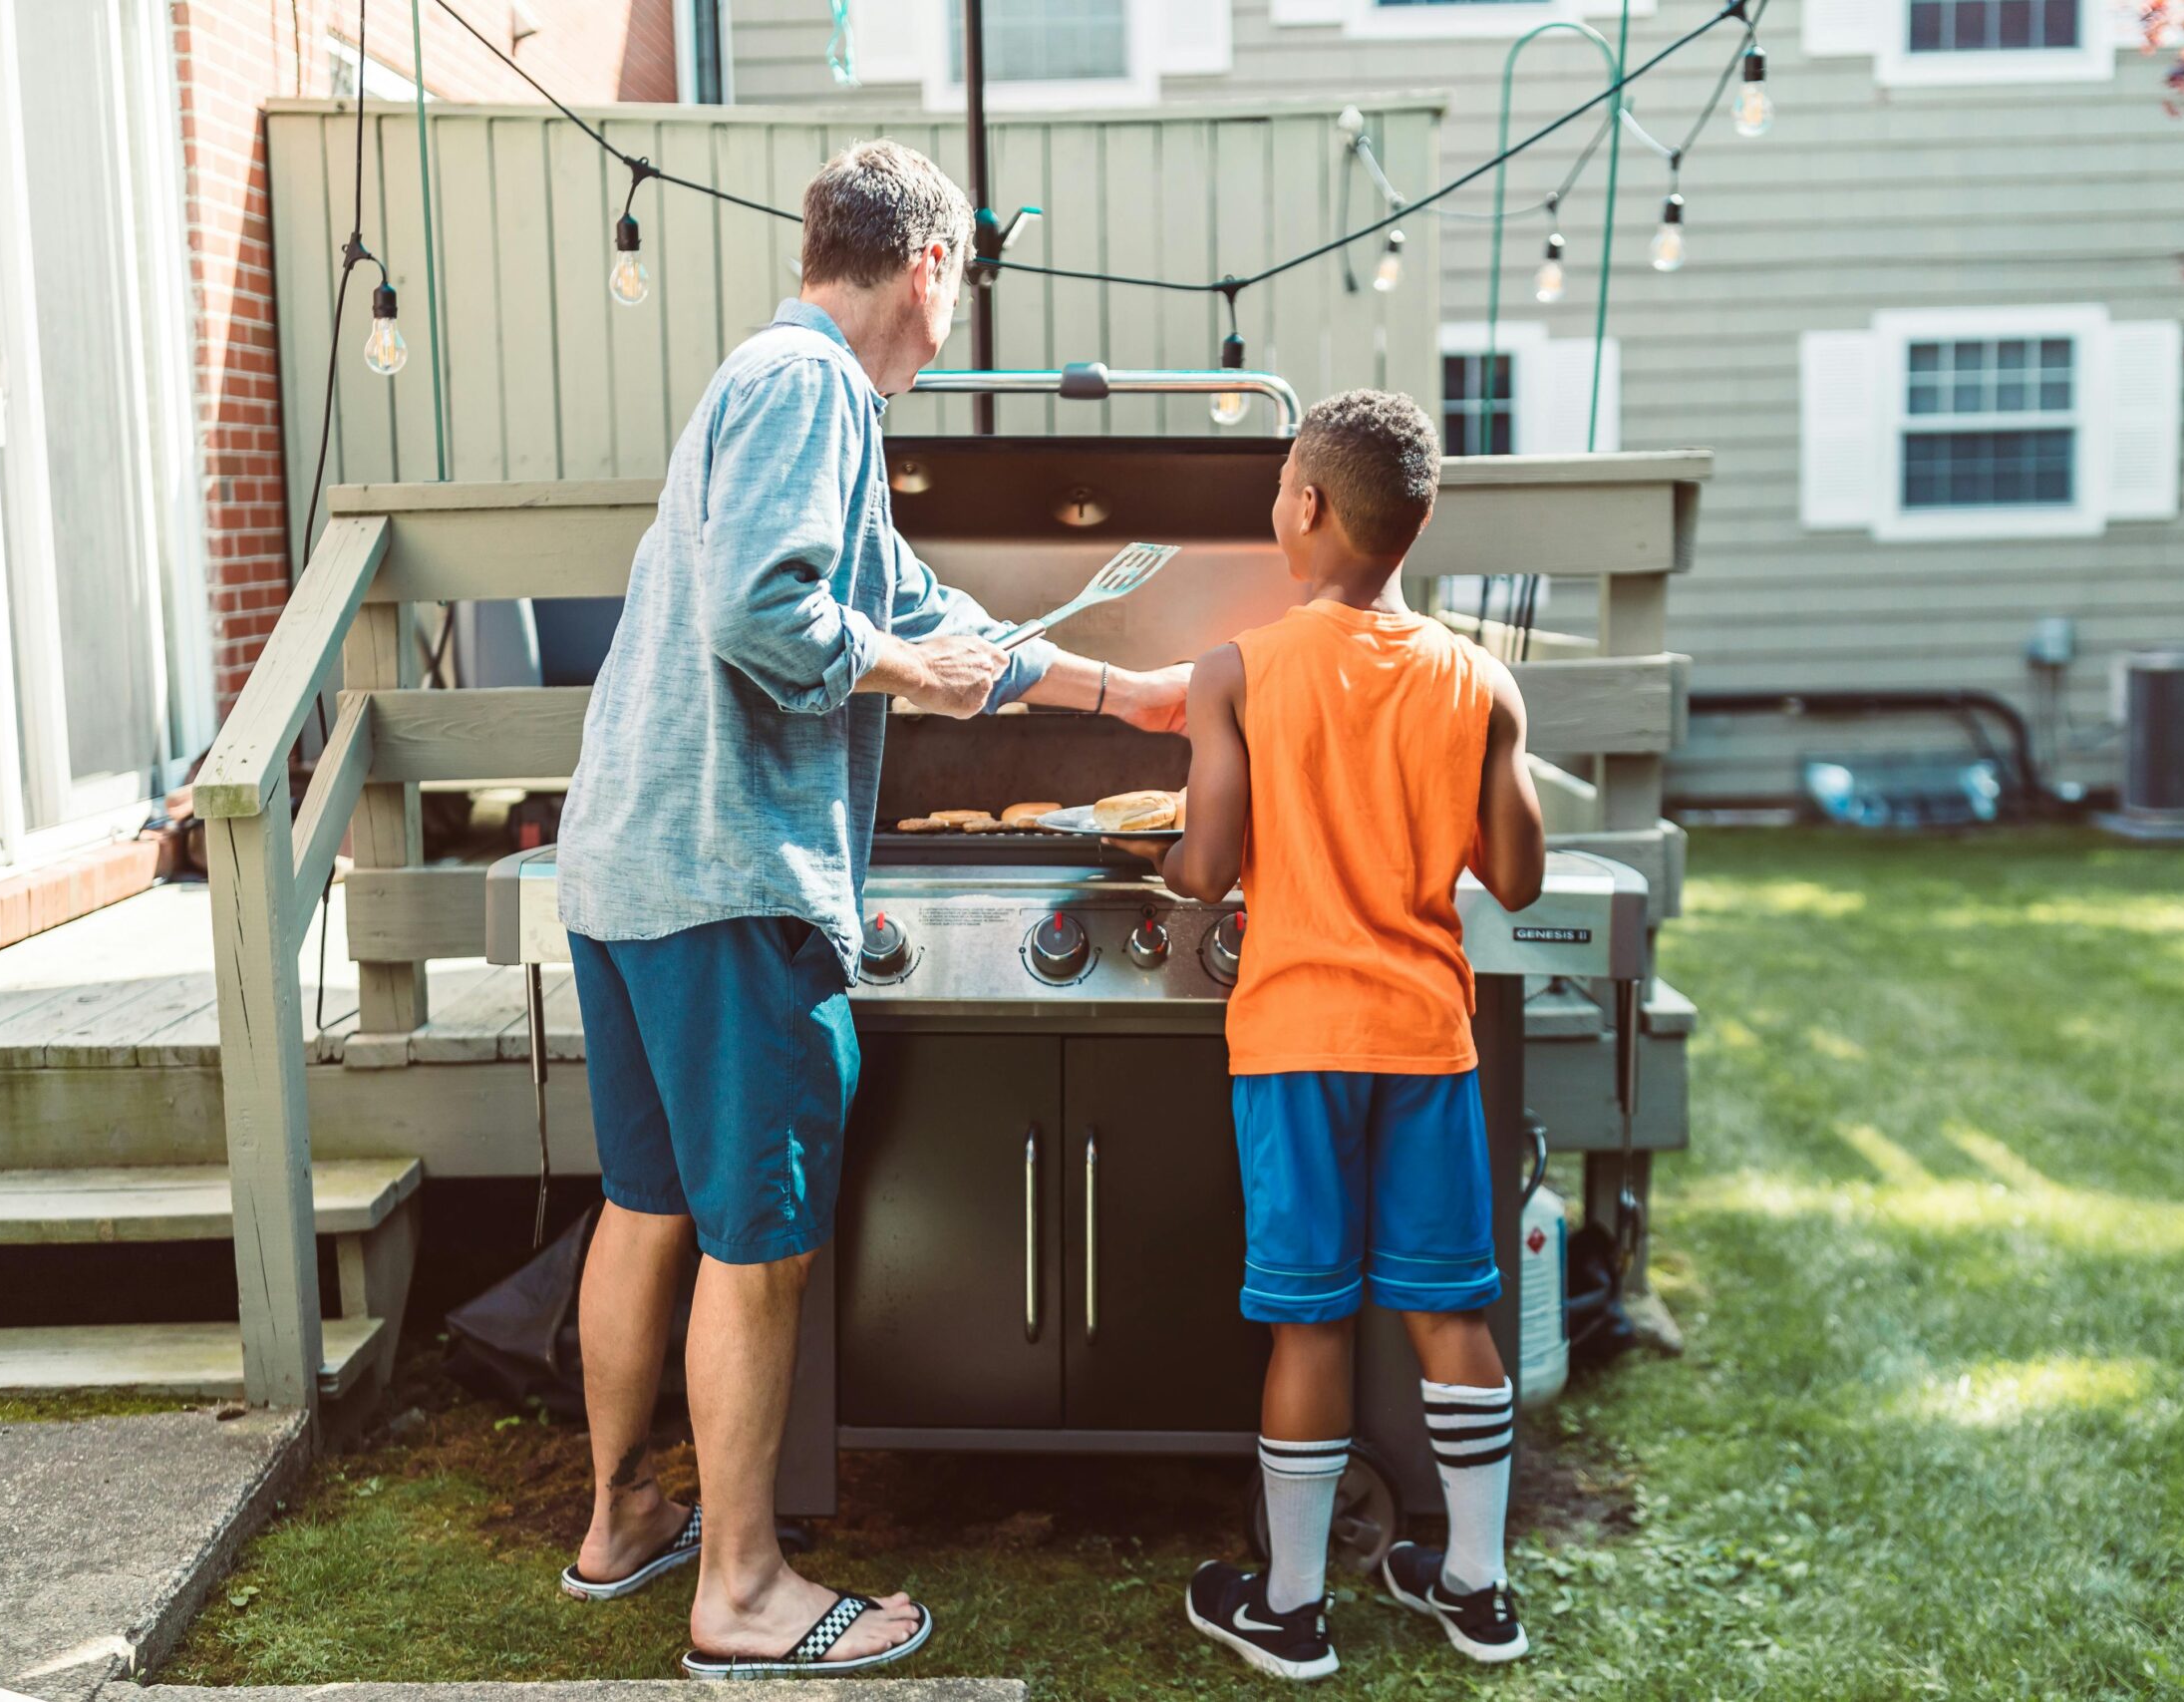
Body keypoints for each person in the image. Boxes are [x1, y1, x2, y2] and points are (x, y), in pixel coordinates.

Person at [552, 139, 1190, 1678]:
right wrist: (914, 674)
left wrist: (1122, 694)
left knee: (650, 1203)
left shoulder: (772, 385)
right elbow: (768, 614)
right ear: (929, 266)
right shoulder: (813, 386)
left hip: (628, 868)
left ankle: (623, 1519)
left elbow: (914, 606)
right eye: (960, 279)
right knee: (756, 1243)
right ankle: (743, 1593)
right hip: (731, 875)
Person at [1119, 390, 1546, 1680]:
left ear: (1304, 506)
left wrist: (1157, 855)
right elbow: (1519, 877)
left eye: (1279, 488)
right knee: (1450, 1311)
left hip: (1297, 1038)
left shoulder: (1237, 671)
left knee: (1311, 1322)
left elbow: (1205, 869)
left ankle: (1292, 1609)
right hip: (1427, 1037)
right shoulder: (1481, 681)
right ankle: (1477, 1586)